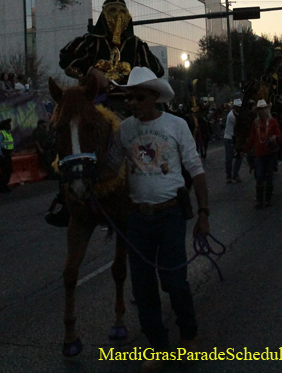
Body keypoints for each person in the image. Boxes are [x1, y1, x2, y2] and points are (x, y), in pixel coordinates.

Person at [107, 67, 208, 371]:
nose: (132, 102)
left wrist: (204, 214)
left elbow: (196, 170)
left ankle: (188, 334)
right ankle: (158, 346)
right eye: (129, 97)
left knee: (174, 280)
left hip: (170, 214)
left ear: (154, 97)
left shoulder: (176, 125)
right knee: (142, 287)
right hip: (138, 218)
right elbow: (112, 167)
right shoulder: (125, 130)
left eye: (138, 97)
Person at [245, 99, 282, 208]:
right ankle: (259, 199)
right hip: (258, 154)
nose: (262, 111)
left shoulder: (273, 122)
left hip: (269, 153)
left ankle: (268, 198)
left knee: (269, 176)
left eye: (264, 109)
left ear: (267, 110)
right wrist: (246, 150)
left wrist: (275, 137)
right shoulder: (255, 123)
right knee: (259, 176)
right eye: (260, 110)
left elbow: (279, 135)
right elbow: (252, 138)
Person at [223, 99, 244, 183]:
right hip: (229, 138)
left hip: (236, 138)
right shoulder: (231, 116)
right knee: (229, 158)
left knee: (239, 157)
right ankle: (229, 176)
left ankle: (235, 174)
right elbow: (240, 124)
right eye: (238, 107)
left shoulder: (238, 114)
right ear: (235, 107)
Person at [0, 118, 14, 193]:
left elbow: (10, 144)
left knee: (8, 170)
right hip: (3, 154)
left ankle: (5, 185)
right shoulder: (1, 133)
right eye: (9, 124)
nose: (10, 126)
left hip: (7, 154)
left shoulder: (8, 133)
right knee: (4, 170)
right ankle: (2, 187)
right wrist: (1, 154)